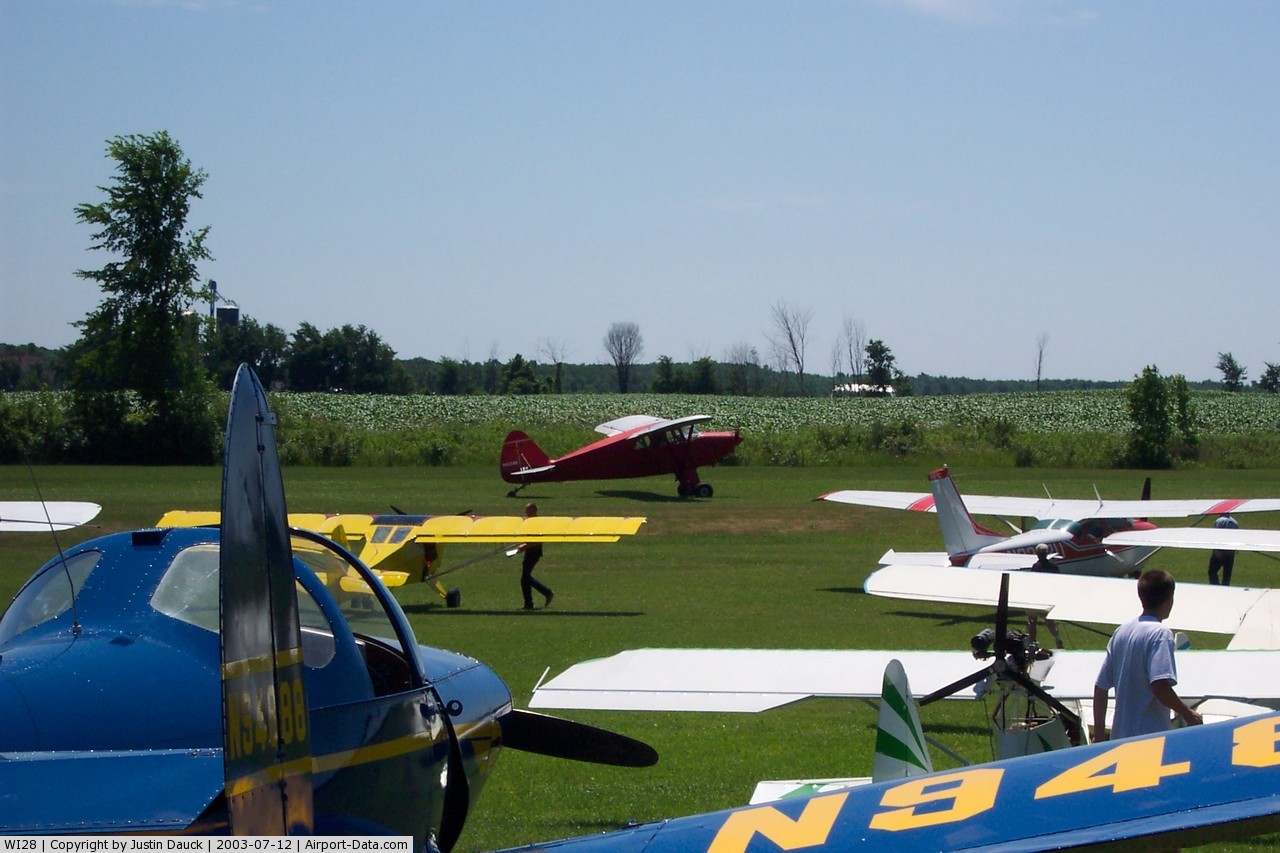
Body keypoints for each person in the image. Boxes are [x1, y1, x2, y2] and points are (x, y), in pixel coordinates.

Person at [1093, 569, 1202, 741]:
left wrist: (1099, 735)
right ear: (1170, 599)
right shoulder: (1161, 634)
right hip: (1149, 739)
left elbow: (1100, 688)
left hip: (1119, 738)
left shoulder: (1121, 632)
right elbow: (1159, 685)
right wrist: (1188, 714)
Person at [1023, 543, 1065, 648]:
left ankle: (1033, 643)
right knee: (1050, 621)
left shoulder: (1036, 566)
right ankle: (1057, 638)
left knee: (1032, 621)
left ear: (1037, 554)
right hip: (1048, 597)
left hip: (1036, 598)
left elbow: (1032, 583)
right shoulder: (1054, 567)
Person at [517, 501, 553, 610]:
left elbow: (537, 540)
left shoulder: (537, 522)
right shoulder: (529, 521)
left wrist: (525, 546)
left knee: (525, 578)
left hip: (534, 552)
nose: (526, 513)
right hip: (529, 551)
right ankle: (529, 603)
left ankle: (546, 593)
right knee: (525, 578)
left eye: (528, 511)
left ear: (534, 511)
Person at [1207, 512, 1239, 586]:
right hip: (1231, 552)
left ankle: (1215, 588)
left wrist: (1217, 550)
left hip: (1220, 552)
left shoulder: (1219, 521)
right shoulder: (1234, 522)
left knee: (1212, 571)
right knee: (1227, 575)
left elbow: (1217, 535)